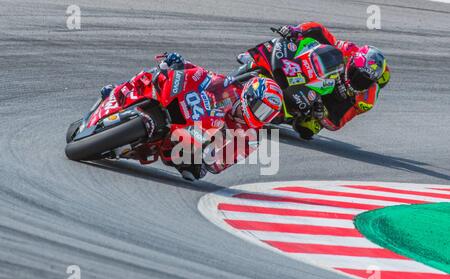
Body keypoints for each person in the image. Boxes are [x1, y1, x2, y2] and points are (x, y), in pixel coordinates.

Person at [100, 53, 283, 181]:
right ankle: (120, 91)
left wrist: (211, 156)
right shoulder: (230, 87)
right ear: (250, 96)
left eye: (268, 115)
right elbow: (203, 76)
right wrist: (180, 64)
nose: (262, 117)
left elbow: (221, 164)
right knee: (160, 73)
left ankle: (142, 145)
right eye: (261, 110)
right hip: (188, 112)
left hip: (193, 145)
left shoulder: (250, 137)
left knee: (194, 173)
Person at [276, 22, 391, 139]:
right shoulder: (348, 50)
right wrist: (297, 30)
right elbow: (319, 31)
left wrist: (321, 115)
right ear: (352, 62)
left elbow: (336, 124)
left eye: (364, 81)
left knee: (309, 128)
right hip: (311, 71)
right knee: (294, 45)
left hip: (322, 102)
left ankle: (288, 114)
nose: (358, 81)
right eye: (356, 74)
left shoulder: (366, 100)